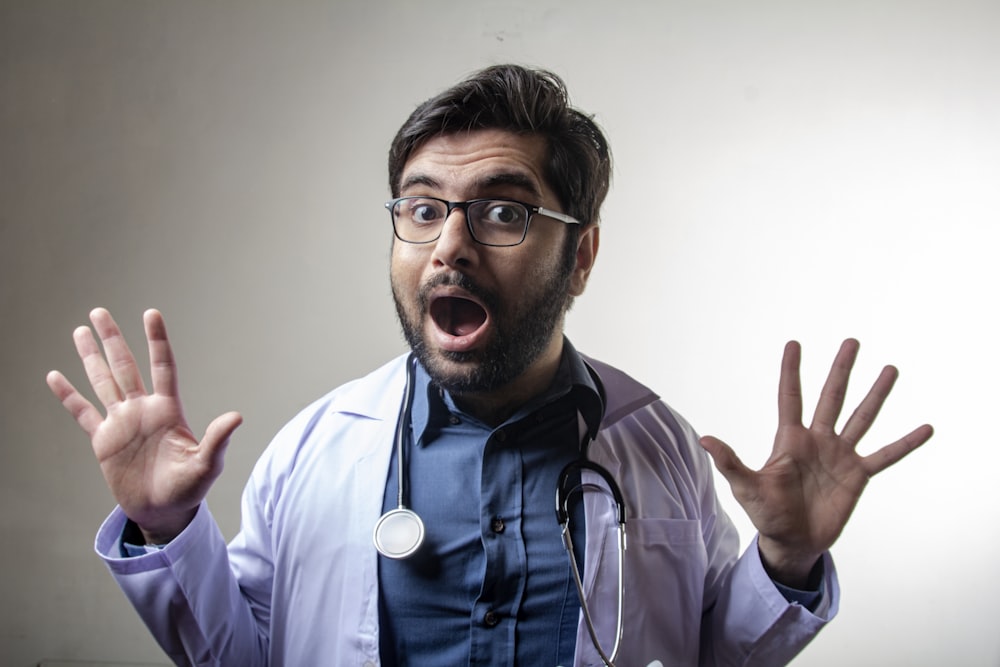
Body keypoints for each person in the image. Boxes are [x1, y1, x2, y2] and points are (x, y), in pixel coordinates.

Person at [47, 64, 933, 667]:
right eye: (423, 209)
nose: (450, 246)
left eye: (504, 213)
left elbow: (714, 651)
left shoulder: (656, 446)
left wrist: (784, 558)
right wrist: (167, 529)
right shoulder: (315, 449)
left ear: (580, 256)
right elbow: (238, 654)